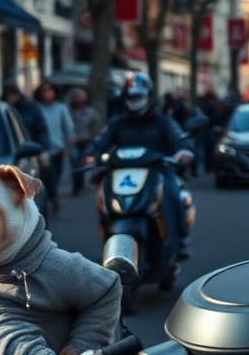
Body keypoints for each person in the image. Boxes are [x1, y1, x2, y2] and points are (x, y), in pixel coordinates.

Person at [83, 72, 194, 260]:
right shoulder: (117, 123)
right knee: (102, 194)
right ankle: (109, 237)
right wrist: (90, 154)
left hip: (158, 171)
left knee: (172, 192)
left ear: (149, 96)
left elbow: (179, 140)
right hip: (121, 172)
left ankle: (180, 240)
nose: (133, 101)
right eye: (129, 97)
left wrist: (184, 152)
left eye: (138, 97)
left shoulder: (163, 121)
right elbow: (100, 142)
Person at [1, 77, 52, 202]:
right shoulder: (1, 109)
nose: (12, 97)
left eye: (14, 93)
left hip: (29, 153)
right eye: (9, 93)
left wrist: (43, 150)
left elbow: (41, 130)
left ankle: (52, 198)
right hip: (6, 153)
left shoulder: (30, 108)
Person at [33, 82, 75, 208]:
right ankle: (51, 196)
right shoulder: (36, 108)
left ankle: (52, 195)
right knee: (48, 175)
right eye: (44, 91)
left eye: (50, 90)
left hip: (58, 149)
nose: (47, 93)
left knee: (56, 176)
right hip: (43, 150)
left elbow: (68, 126)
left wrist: (70, 141)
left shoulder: (61, 107)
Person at [68, 88, 101, 196]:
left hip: (86, 141)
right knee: (75, 163)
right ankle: (76, 187)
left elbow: (97, 125)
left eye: (81, 96)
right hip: (74, 142)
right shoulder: (69, 112)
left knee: (83, 164)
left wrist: (94, 138)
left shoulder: (90, 112)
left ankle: (81, 186)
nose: (78, 99)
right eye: (76, 96)